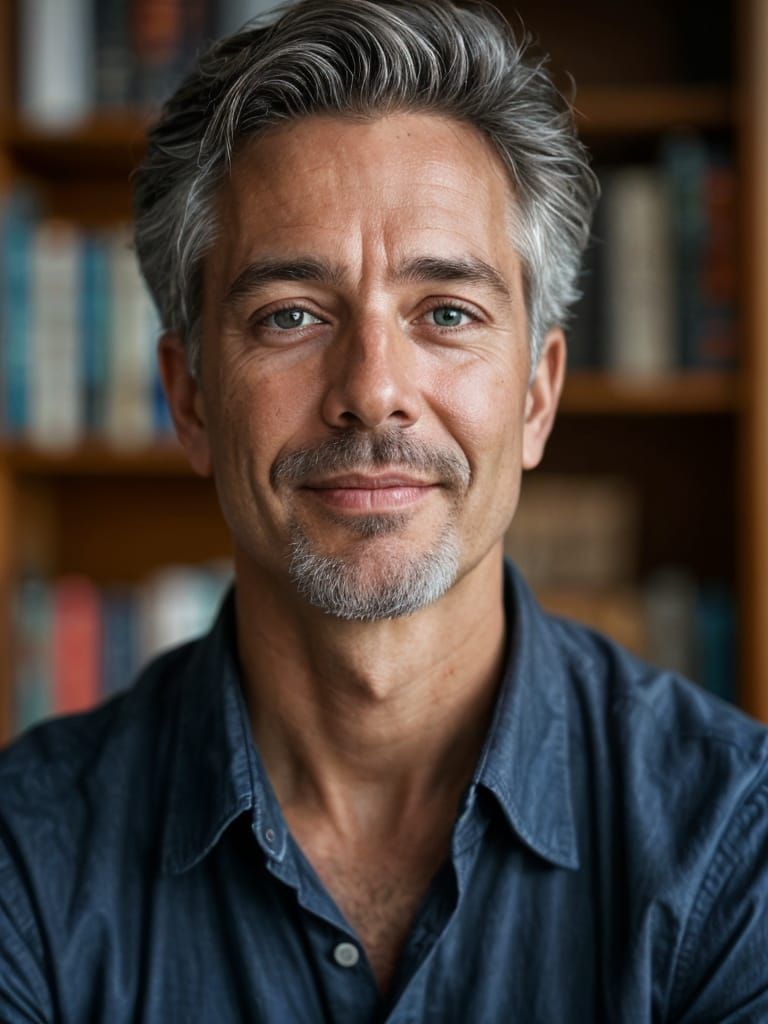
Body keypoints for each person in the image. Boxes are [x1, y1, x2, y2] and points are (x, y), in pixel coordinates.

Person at [1, 0, 767, 1020]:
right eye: (291, 315)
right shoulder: (25, 854)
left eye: (445, 313)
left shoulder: (735, 840)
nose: (373, 388)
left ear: (537, 394)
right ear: (189, 399)